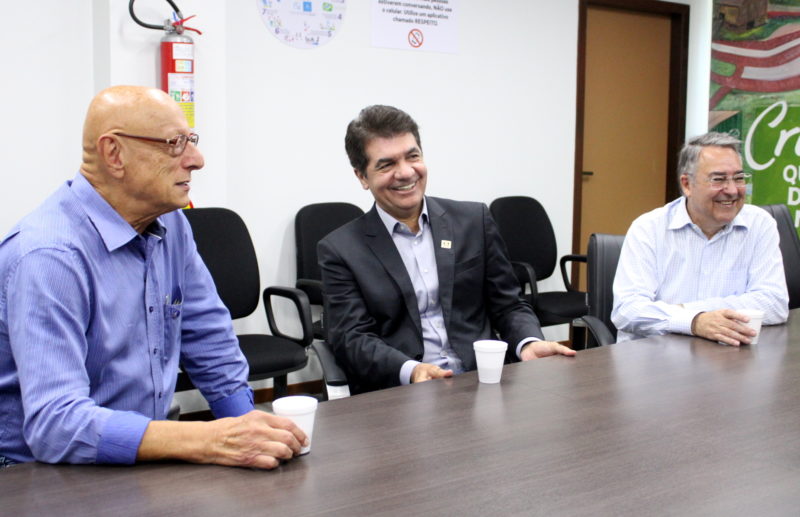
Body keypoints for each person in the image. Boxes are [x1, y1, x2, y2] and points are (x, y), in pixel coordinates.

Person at [0, 86, 306, 468]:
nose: (197, 160)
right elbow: (57, 425)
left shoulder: (170, 223)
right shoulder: (49, 257)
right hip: (45, 475)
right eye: (175, 144)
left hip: (143, 453)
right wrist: (208, 438)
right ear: (114, 153)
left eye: (191, 141)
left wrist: (245, 424)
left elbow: (208, 336)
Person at [318, 105, 575, 394]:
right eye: (386, 164)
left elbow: (508, 304)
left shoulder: (473, 221)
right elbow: (352, 338)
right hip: (399, 394)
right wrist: (412, 370)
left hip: (482, 381)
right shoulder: (341, 249)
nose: (405, 172)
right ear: (362, 177)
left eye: (412, 156)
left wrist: (528, 342)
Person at [612, 131, 789, 344]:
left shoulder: (760, 224)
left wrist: (688, 313)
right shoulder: (648, 229)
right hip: (654, 358)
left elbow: (774, 303)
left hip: (726, 355)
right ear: (687, 184)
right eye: (719, 179)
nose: (732, 190)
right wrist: (695, 322)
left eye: (739, 178)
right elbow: (628, 310)